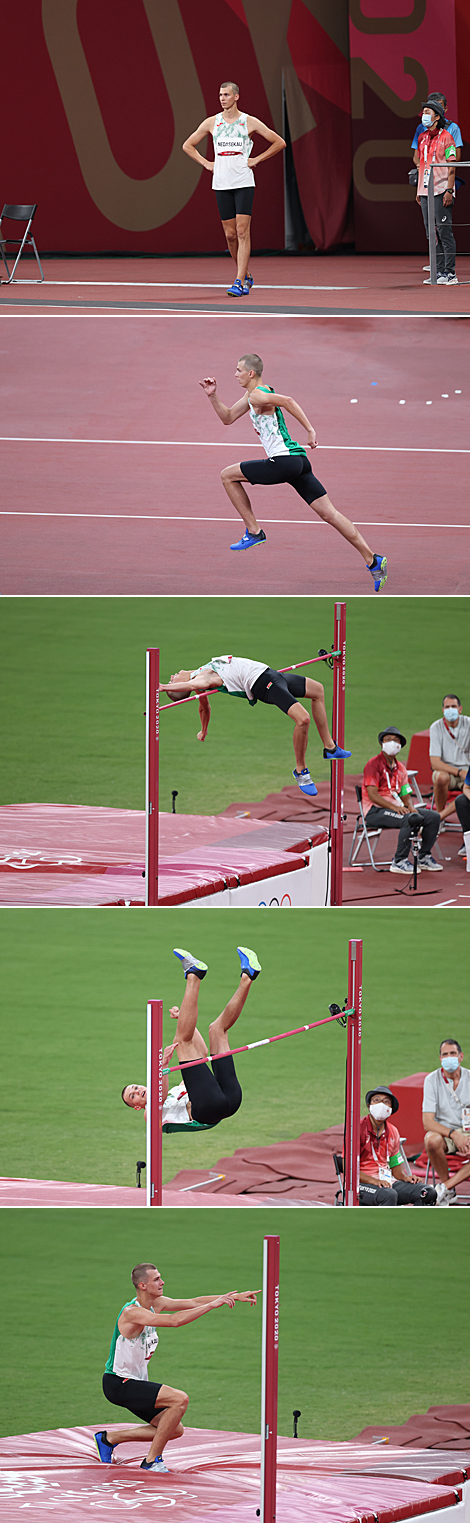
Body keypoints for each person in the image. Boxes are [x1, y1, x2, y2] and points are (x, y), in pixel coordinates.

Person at [199, 354, 387, 587]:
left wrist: (310, 430)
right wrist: (213, 396)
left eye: (238, 370)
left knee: (227, 475)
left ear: (251, 373)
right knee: (330, 514)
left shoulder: (258, 394)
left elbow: (288, 400)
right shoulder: (253, 395)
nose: (235, 374)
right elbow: (227, 418)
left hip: (284, 462)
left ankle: (254, 532)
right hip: (299, 461)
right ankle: (373, 560)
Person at [95, 1263, 257, 1472]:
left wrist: (230, 1298)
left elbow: (192, 1302)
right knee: (179, 1399)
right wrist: (211, 1306)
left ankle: (109, 1439)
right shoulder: (132, 1313)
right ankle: (152, 1461)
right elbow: (174, 1321)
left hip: (134, 1382)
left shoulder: (157, 1303)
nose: (162, 1282)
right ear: (142, 1285)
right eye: (156, 1279)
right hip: (119, 1383)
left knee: (173, 1429)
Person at [160, 653, 351, 797]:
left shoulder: (200, 676)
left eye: (171, 680)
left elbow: (204, 708)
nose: (173, 675)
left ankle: (330, 747)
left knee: (317, 690)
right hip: (262, 683)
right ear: (180, 688)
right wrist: (163, 688)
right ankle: (301, 771)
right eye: (172, 680)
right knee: (303, 719)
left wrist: (203, 730)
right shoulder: (201, 680)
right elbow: (193, 687)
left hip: (270, 675)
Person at [122, 947, 261, 1130]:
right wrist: (162, 1067)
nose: (138, 1090)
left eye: (136, 1087)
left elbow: (201, 1054)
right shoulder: (150, 1116)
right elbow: (158, 1098)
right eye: (133, 1096)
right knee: (181, 1042)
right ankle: (193, 976)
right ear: (137, 1106)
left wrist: (184, 1019)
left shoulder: (176, 1091)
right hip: (207, 1110)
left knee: (217, 1029)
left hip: (229, 1099)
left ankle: (247, 977)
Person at [182, 80, 285, 297]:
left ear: (236, 97)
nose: (222, 98)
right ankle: (246, 274)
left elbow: (279, 142)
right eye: (220, 95)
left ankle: (238, 281)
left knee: (242, 231)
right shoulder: (212, 122)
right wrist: (206, 163)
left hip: (243, 182)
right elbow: (187, 145)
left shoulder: (249, 122)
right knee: (230, 236)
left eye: (226, 95)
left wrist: (257, 159)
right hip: (221, 182)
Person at [362, 727, 442, 874]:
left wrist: (411, 807)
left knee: (433, 817)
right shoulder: (373, 765)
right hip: (375, 810)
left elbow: (405, 793)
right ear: (381, 743)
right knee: (408, 819)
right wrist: (395, 808)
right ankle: (399, 861)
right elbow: (372, 795)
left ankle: (424, 856)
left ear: (400, 746)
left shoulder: (401, 768)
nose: (392, 743)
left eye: (395, 740)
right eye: (388, 740)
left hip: (396, 808)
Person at [359, 1088, 436, 1205]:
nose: (381, 1104)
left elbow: (395, 1166)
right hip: (362, 1184)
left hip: (387, 1182)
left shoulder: (393, 1131)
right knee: (389, 1194)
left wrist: (406, 1178)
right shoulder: (357, 1130)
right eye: (376, 1100)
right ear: (369, 1106)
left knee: (427, 1192)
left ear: (391, 1109)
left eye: (386, 1102)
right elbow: (348, 1167)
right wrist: (374, 1181)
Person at [416, 96, 457, 285]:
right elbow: (421, 165)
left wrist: (449, 190)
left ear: (437, 116)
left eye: (427, 113)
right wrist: (419, 190)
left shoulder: (447, 137)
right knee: (429, 232)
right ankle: (438, 271)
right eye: (423, 112)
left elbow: (452, 165)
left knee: (444, 231)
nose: (424, 116)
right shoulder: (422, 137)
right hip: (425, 191)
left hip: (441, 190)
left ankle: (450, 272)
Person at [423, 1039, 470, 1205]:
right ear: (440, 1058)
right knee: (431, 1140)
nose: (448, 1057)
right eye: (445, 1054)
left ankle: (445, 1187)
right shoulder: (431, 1080)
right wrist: (454, 1134)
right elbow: (427, 1122)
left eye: (452, 1053)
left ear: (461, 1056)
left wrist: (465, 1137)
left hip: (468, 1131)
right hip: (446, 1132)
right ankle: (449, 1191)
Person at [429, 694, 470, 822]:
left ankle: (439, 817)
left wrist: (466, 773)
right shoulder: (436, 727)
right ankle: (439, 818)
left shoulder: (468, 724)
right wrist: (459, 772)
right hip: (449, 773)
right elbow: (435, 763)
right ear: (442, 710)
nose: (450, 709)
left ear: (460, 709)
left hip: (468, 771)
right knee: (440, 777)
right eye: (447, 707)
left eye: (453, 706)